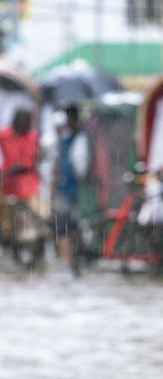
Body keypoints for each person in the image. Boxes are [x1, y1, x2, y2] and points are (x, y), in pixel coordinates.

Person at [52, 105, 90, 264]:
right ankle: (66, 260)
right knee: (62, 225)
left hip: (79, 190)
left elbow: (81, 167)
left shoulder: (83, 139)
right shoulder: (64, 139)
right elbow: (58, 163)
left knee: (76, 225)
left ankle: (76, 257)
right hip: (64, 188)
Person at [0, 106, 41, 205]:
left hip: (28, 186)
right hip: (8, 186)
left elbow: (25, 163)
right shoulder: (4, 134)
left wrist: (5, 171)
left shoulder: (32, 138)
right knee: (7, 218)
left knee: (29, 218)